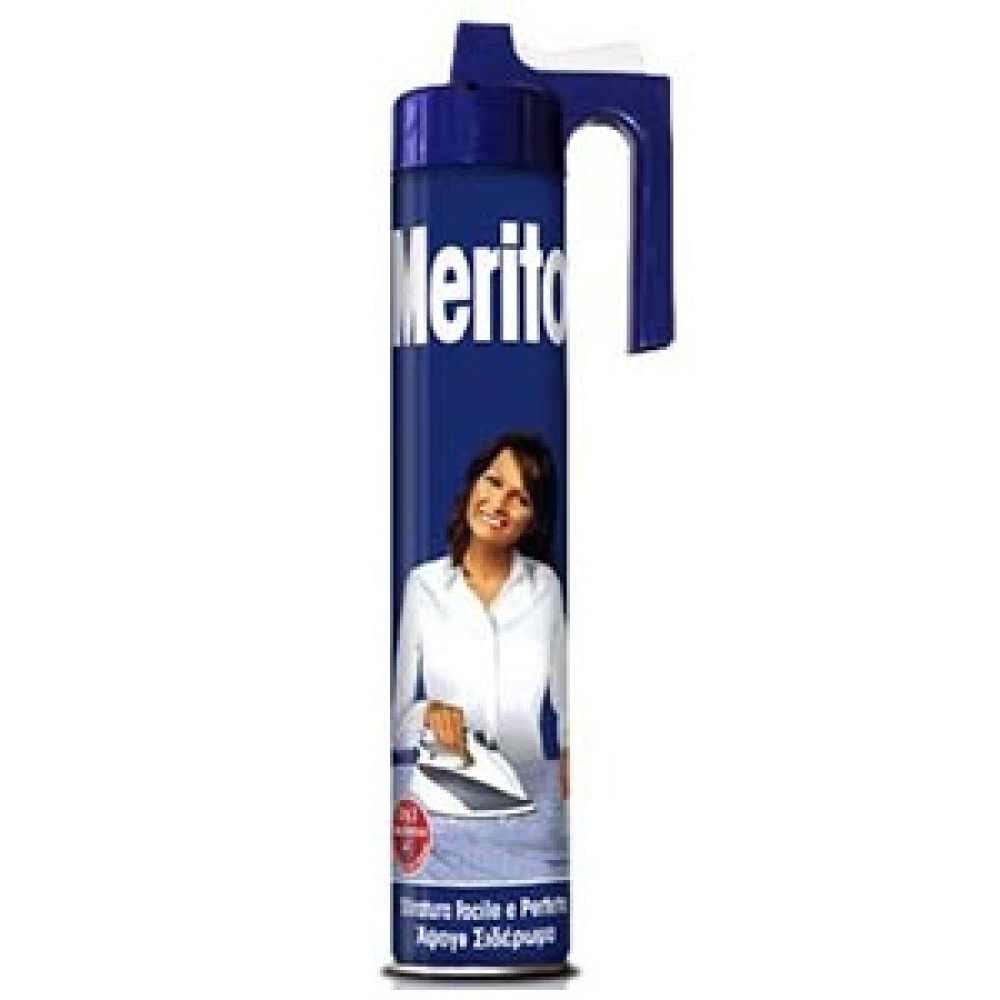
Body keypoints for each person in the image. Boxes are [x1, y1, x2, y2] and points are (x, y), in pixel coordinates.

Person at [393, 432, 568, 797]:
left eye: (520, 498)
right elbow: (394, 722)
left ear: (533, 519)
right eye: (494, 481)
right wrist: (429, 713)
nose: (499, 503)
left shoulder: (546, 587)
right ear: (475, 482)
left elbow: (569, 700)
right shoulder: (423, 586)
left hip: (530, 792)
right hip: (447, 794)